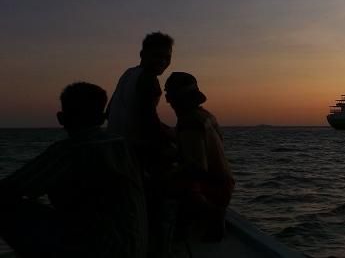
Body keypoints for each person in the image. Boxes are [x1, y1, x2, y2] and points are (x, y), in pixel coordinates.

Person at [0, 82, 147, 257]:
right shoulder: (124, 146)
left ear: (61, 118)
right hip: (134, 247)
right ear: (102, 118)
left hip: (96, 248)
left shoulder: (70, 150)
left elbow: (11, 187)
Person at [107, 31, 176, 256]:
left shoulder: (128, 74)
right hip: (135, 152)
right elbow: (148, 121)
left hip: (116, 149)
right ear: (142, 54)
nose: (162, 62)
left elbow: (110, 112)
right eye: (157, 56)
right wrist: (175, 136)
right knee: (163, 202)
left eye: (166, 58)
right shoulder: (148, 80)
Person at [164, 72, 235, 242]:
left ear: (171, 99)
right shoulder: (206, 116)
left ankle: (212, 215)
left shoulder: (189, 123)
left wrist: (169, 174)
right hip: (225, 184)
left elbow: (197, 168)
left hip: (211, 192)